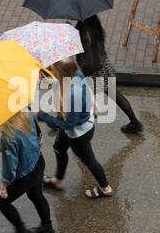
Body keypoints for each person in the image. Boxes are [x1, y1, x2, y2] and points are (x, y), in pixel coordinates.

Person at [35, 57, 113, 199]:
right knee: (59, 148)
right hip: (74, 127)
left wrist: (42, 116)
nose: (50, 69)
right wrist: (45, 76)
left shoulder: (73, 94)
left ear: (61, 71)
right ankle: (58, 181)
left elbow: (69, 124)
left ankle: (106, 188)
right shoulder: (75, 73)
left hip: (79, 134)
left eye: (52, 68)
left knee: (89, 161)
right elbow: (60, 81)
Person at [74, 15, 144, 134]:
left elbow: (89, 61)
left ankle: (68, 124)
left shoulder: (84, 34)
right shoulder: (94, 25)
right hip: (104, 67)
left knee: (77, 97)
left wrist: (81, 75)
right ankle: (134, 122)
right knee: (115, 95)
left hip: (94, 73)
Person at [0, 109, 54, 233]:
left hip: (24, 175)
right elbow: (39, 135)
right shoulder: (26, 112)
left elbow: (10, 168)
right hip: (37, 163)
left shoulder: (8, 136)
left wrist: (4, 185)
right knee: (36, 194)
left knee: (1, 202)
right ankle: (47, 227)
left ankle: (21, 231)